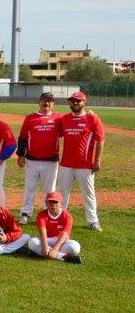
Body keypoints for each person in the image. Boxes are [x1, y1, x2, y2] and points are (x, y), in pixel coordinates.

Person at [57, 91, 105, 232]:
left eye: (78, 101)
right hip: (66, 163)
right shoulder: (64, 118)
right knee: (62, 193)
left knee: (88, 194)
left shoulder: (93, 119)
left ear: (84, 102)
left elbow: (100, 140)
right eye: (73, 101)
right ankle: (60, 219)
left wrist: (97, 160)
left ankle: (93, 221)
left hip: (85, 164)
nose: (75, 103)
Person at [16, 92, 62, 225]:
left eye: (49, 101)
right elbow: (23, 137)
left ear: (53, 104)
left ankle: (47, 213)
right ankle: (26, 213)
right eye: (44, 100)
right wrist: (20, 155)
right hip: (32, 160)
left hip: (51, 160)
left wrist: (88, 115)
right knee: (30, 188)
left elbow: (71, 128)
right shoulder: (30, 118)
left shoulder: (59, 118)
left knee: (49, 189)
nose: (46, 103)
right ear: (39, 102)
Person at [27, 191, 82, 263]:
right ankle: (63, 257)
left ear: (61, 203)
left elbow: (64, 235)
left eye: (56, 202)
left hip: (61, 241)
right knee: (32, 242)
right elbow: (42, 233)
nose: (53, 205)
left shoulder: (67, 216)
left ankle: (39, 253)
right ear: (46, 203)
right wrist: (45, 246)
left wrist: (55, 250)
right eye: (50, 202)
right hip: (47, 240)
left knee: (75, 247)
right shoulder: (41, 215)